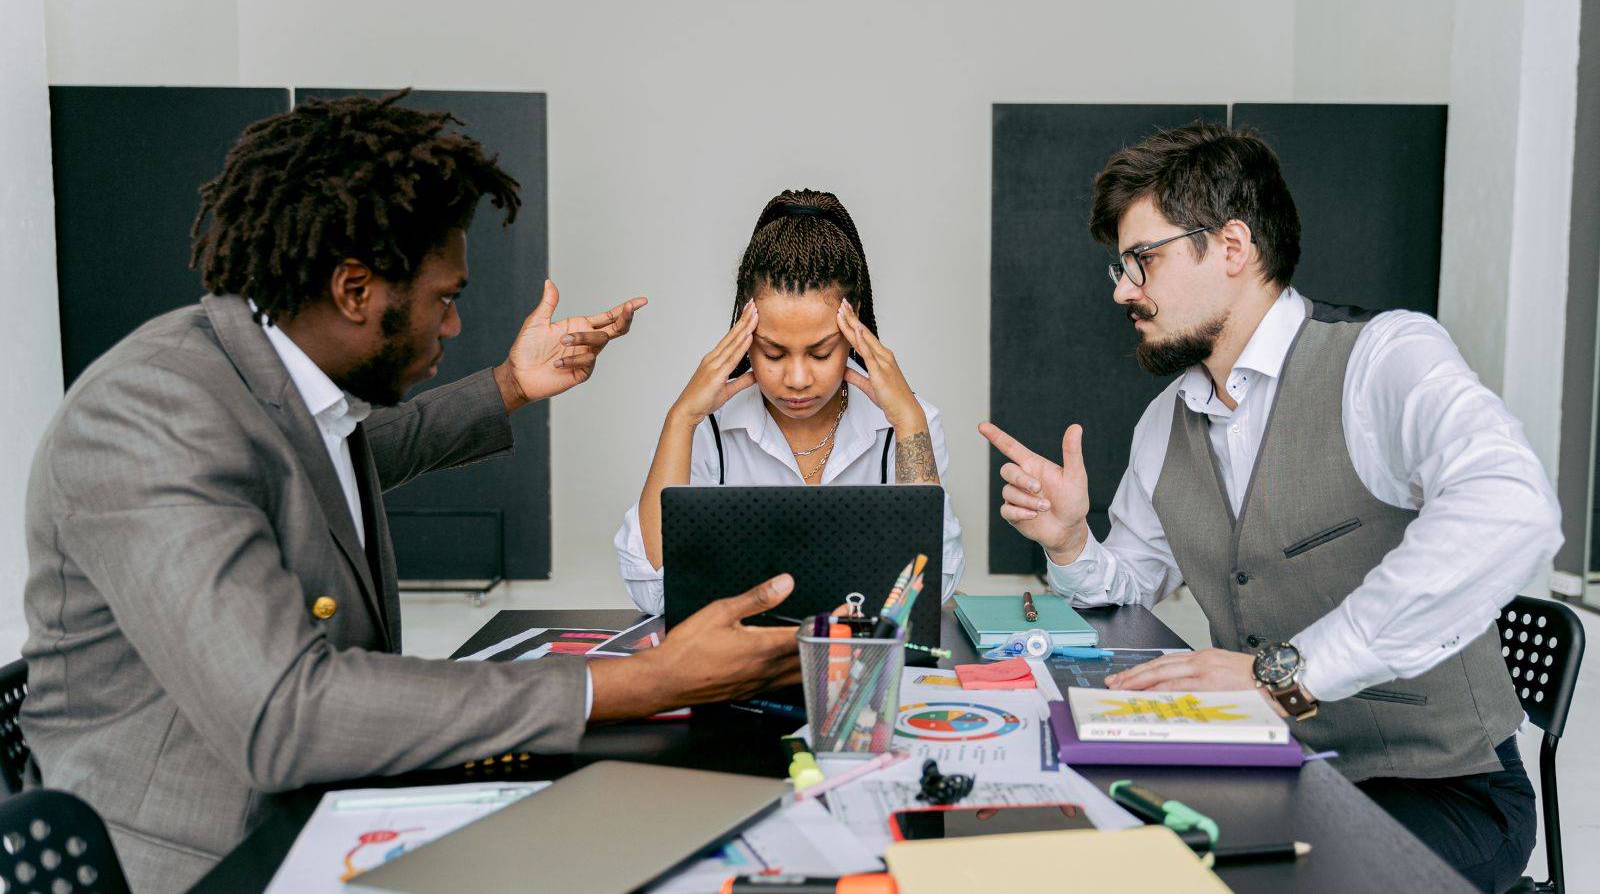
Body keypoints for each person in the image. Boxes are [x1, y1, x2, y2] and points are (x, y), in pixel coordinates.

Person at [20, 92, 800, 892]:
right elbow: (287, 714)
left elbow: (351, 459)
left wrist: (510, 385)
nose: (454, 326)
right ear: (356, 290)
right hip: (204, 861)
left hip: (327, 815)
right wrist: (645, 681)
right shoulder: (150, 414)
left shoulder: (267, 381)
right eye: (446, 299)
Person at [980, 122, 1557, 893]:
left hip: (1442, 790)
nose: (1123, 289)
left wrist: (1285, 674)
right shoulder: (1167, 421)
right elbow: (1132, 584)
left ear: (1231, 246)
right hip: (1270, 765)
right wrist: (1072, 543)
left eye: (1140, 261)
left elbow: (1512, 504)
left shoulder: (1383, 359)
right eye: (1119, 268)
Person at [615, 190, 965, 614]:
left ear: (855, 335)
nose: (797, 380)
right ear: (743, 340)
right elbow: (654, 590)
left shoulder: (910, 423)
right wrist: (681, 418)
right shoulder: (704, 426)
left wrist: (908, 420)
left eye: (821, 353)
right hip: (739, 673)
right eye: (773, 353)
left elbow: (928, 589)